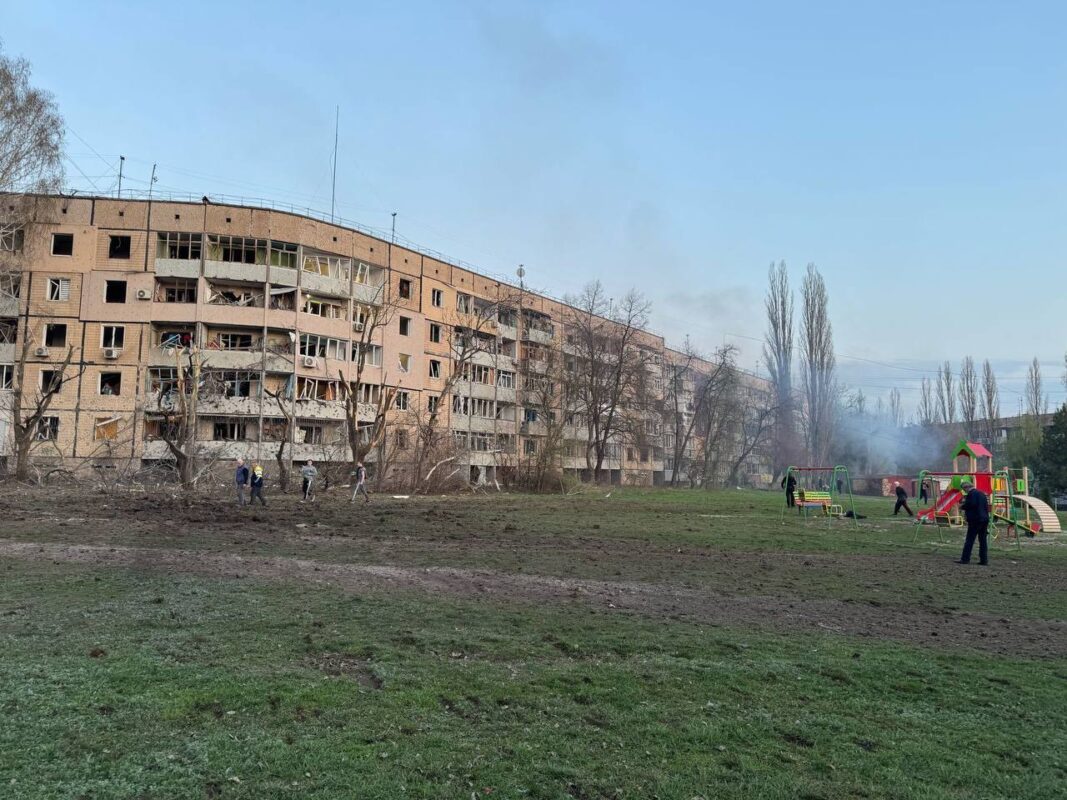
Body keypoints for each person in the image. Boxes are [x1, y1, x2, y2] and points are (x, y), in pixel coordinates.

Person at [957, 479, 990, 566]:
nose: (964, 491)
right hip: (984, 519)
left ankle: (965, 559)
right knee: (983, 540)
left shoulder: (971, 494)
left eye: (964, 489)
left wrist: (962, 506)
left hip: (975, 520)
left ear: (966, 487)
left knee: (970, 539)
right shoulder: (982, 493)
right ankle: (984, 560)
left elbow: (971, 504)